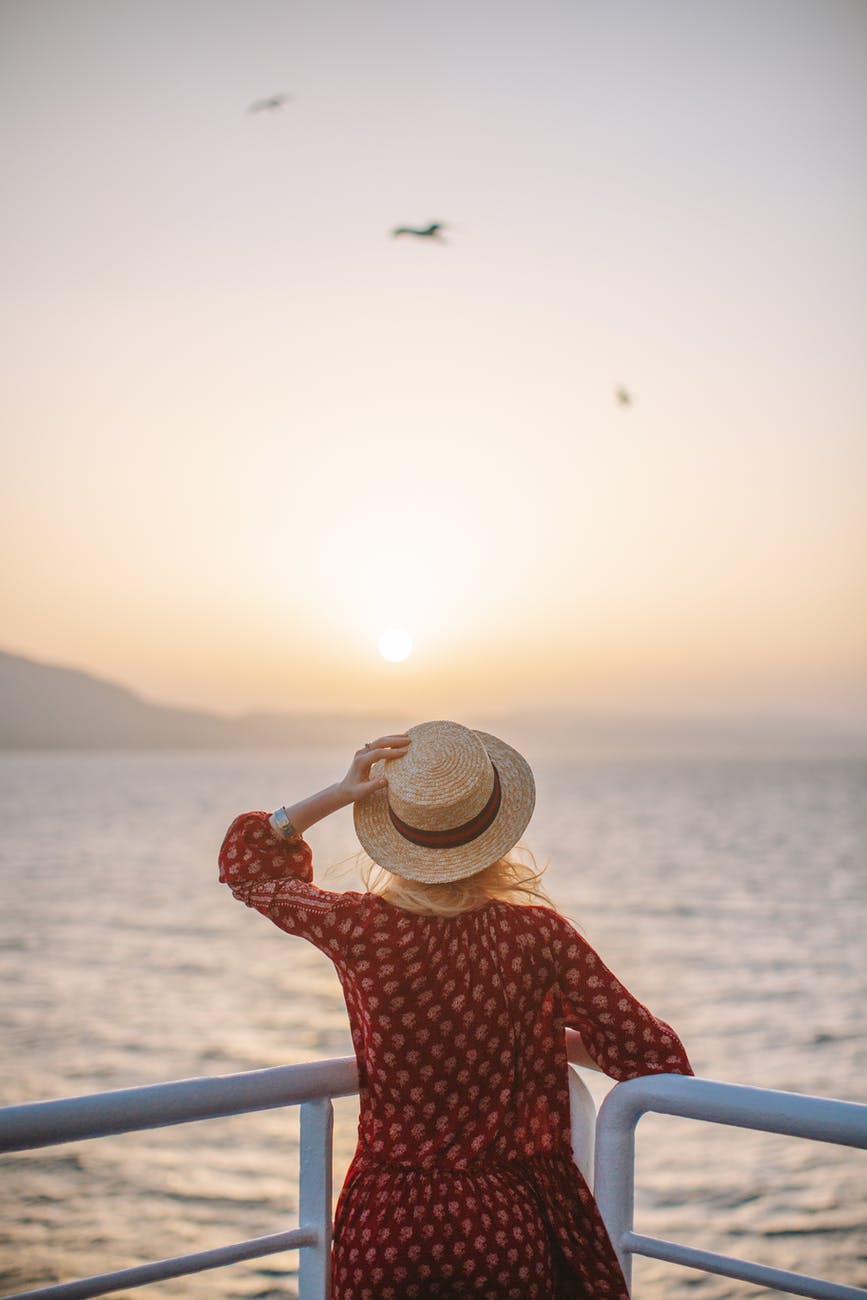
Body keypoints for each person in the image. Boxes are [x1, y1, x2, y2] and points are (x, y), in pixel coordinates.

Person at [219, 720, 693, 1299]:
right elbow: (655, 1054)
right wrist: (538, 1036)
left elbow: (248, 864)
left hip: (389, 1223)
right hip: (506, 1223)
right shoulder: (538, 936)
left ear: (393, 832)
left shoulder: (360, 927)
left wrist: (340, 793)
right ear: (495, 833)